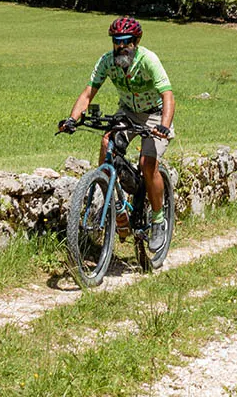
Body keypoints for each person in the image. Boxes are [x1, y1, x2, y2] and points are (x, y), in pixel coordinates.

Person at [58, 16, 175, 252]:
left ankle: (158, 219)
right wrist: (72, 119)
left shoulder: (148, 60)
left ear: (136, 41)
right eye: (116, 41)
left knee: (147, 162)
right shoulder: (106, 62)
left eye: (126, 41)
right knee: (107, 144)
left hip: (154, 115)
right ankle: (115, 205)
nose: (121, 47)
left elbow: (168, 95)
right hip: (127, 113)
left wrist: (163, 125)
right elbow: (88, 93)